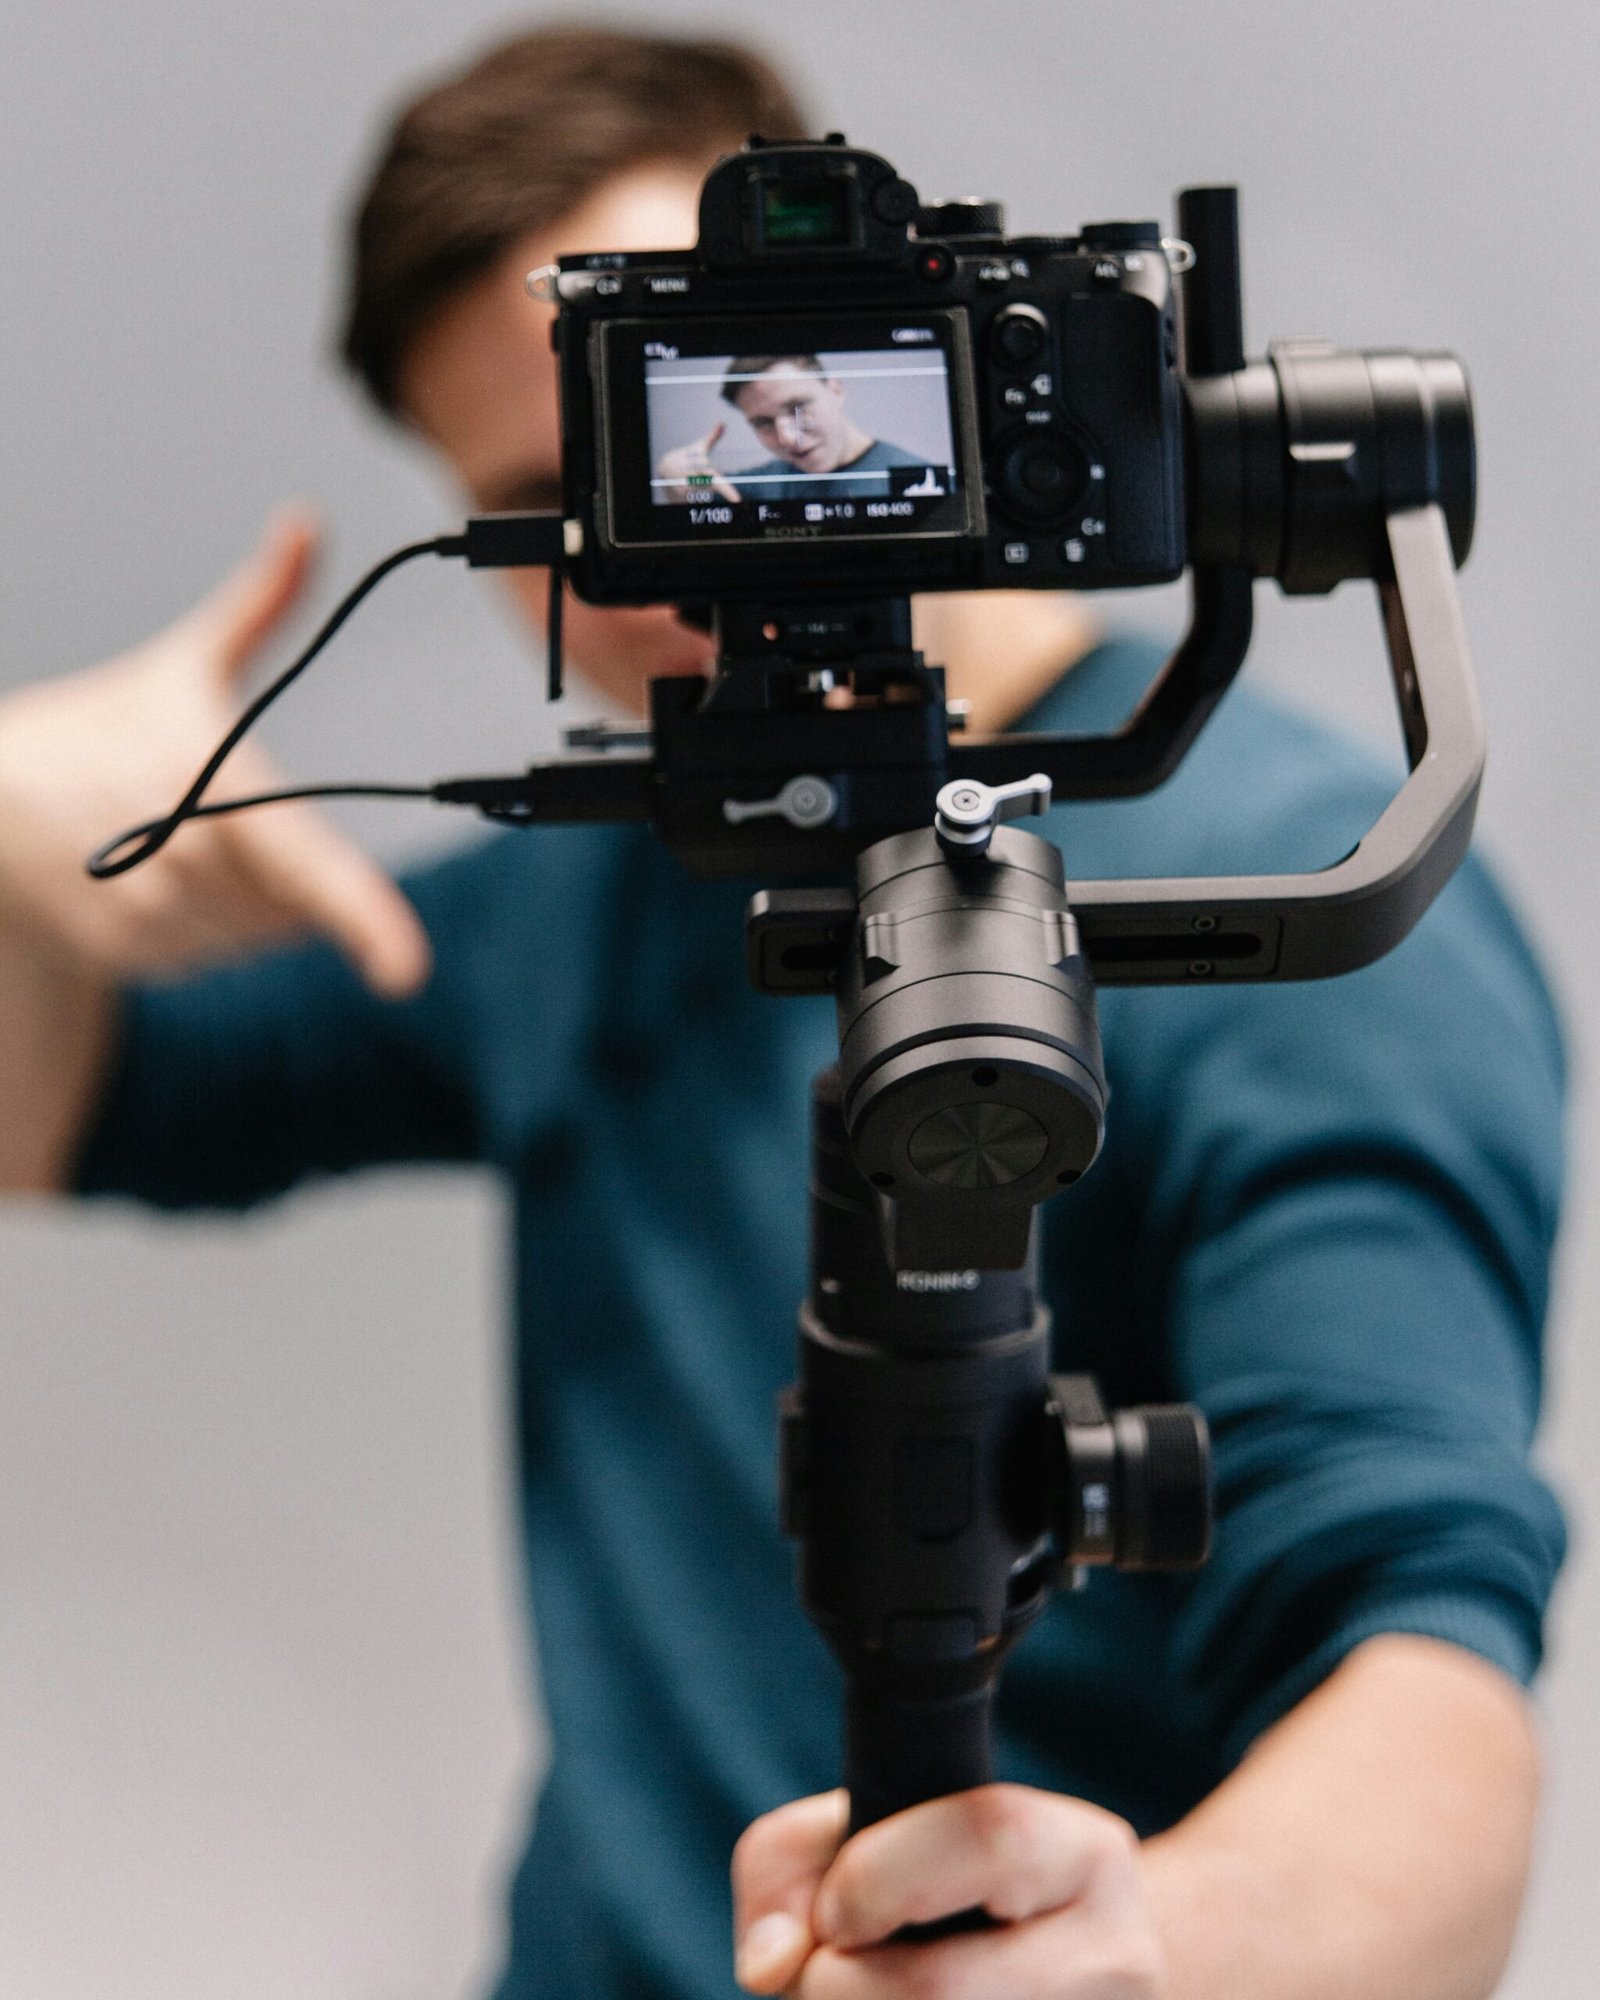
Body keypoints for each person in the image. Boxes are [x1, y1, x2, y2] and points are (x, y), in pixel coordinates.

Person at [0, 25, 1568, 2000]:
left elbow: (1417, 1666)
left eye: (707, 417)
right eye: (542, 500)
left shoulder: (1287, 896)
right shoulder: (598, 888)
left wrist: (1154, 1952)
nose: (649, 553)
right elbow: (51, 1102)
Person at [655, 354, 926, 504]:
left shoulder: (918, 482)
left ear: (836, 391)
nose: (787, 438)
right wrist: (676, 474)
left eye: (798, 407)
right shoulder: (766, 484)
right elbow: (705, 482)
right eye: (763, 423)